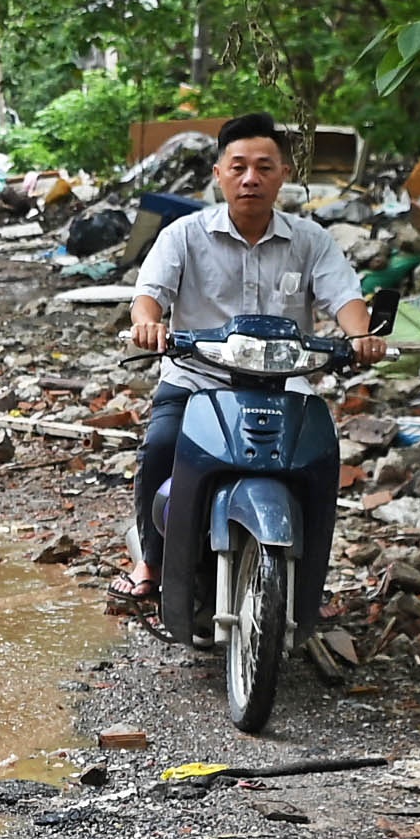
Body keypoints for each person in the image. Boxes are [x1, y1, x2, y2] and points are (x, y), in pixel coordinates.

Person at [122, 113, 373, 638]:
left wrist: (361, 336)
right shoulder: (184, 235)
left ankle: (309, 582)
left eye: (264, 167)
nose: (250, 178)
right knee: (161, 445)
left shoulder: (311, 241)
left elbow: (345, 297)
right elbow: (148, 297)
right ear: (219, 174)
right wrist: (149, 326)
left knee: (320, 461)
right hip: (196, 380)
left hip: (284, 385)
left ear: (283, 175)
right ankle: (149, 560)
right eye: (238, 167)